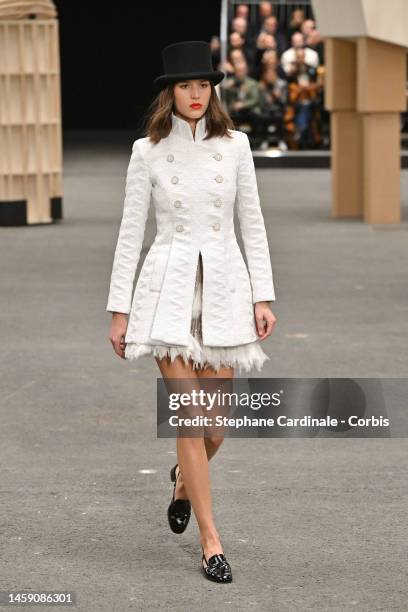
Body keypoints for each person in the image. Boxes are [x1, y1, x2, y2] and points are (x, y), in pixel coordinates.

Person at [106, 40, 277, 583]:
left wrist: (263, 296)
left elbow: (252, 221)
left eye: (203, 84)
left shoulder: (237, 147)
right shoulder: (148, 153)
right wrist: (119, 309)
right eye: (185, 85)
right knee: (190, 415)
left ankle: (183, 479)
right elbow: (131, 233)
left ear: (213, 89)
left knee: (216, 428)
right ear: (169, 93)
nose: (196, 94)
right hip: (168, 291)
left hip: (225, 287)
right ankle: (211, 540)